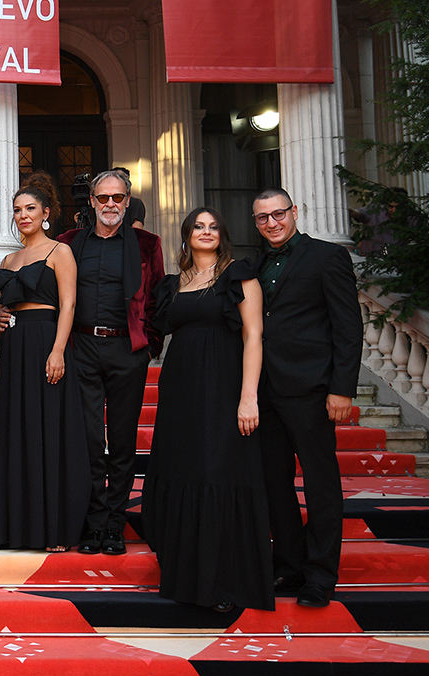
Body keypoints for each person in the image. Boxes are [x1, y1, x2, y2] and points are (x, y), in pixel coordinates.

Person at [145, 208, 271, 613]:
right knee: (183, 470)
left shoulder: (239, 275)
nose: (206, 232)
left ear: (223, 235)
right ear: (186, 235)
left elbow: (254, 336)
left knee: (217, 470)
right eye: (198, 226)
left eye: (214, 226)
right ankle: (185, 577)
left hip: (223, 387)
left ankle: (223, 582)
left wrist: (248, 397)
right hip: (180, 392)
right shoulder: (174, 283)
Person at [251, 187, 360, 608]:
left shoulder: (327, 257)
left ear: (294, 212)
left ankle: (320, 575)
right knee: (275, 484)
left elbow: (347, 326)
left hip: (312, 389)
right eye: (263, 218)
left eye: (278, 214)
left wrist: (341, 388)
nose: (272, 223)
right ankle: (290, 565)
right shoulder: (256, 263)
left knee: (320, 485)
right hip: (267, 391)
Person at [0, 174, 88, 551]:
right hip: (14, 348)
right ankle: (3, 528)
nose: (23, 215)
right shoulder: (9, 259)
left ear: (46, 213)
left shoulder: (60, 252)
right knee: (12, 434)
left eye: (30, 209)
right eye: (17, 210)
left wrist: (58, 350)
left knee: (46, 432)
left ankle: (51, 530)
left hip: (45, 343)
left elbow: (69, 304)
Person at [58, 169, 164, 555]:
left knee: (122, 441)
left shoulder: (147, 244)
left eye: (117, 198)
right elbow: (50, 291)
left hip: (127, 351)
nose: (110, 204)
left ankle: (115, 524)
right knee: (88, 440)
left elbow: (157, 297)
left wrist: (149, 347)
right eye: (102, 198)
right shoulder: (69, 243)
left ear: (127, 201)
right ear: (92, 201)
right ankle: (93, 522)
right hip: (82, 349)